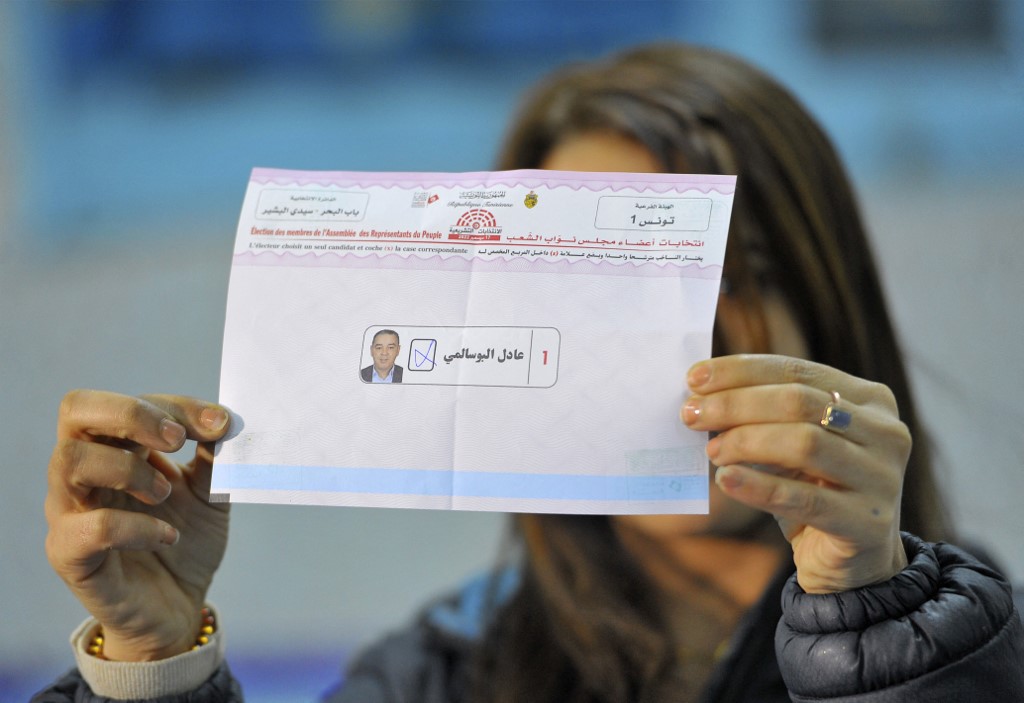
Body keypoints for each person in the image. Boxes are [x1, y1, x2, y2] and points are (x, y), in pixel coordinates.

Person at [37, 43, 1022, 703]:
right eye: (611, 286)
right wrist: (153, 658)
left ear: (829, 308)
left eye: (746, 273)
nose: (693, 339)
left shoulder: (974, 648)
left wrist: (870, 618)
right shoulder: (437, 673)